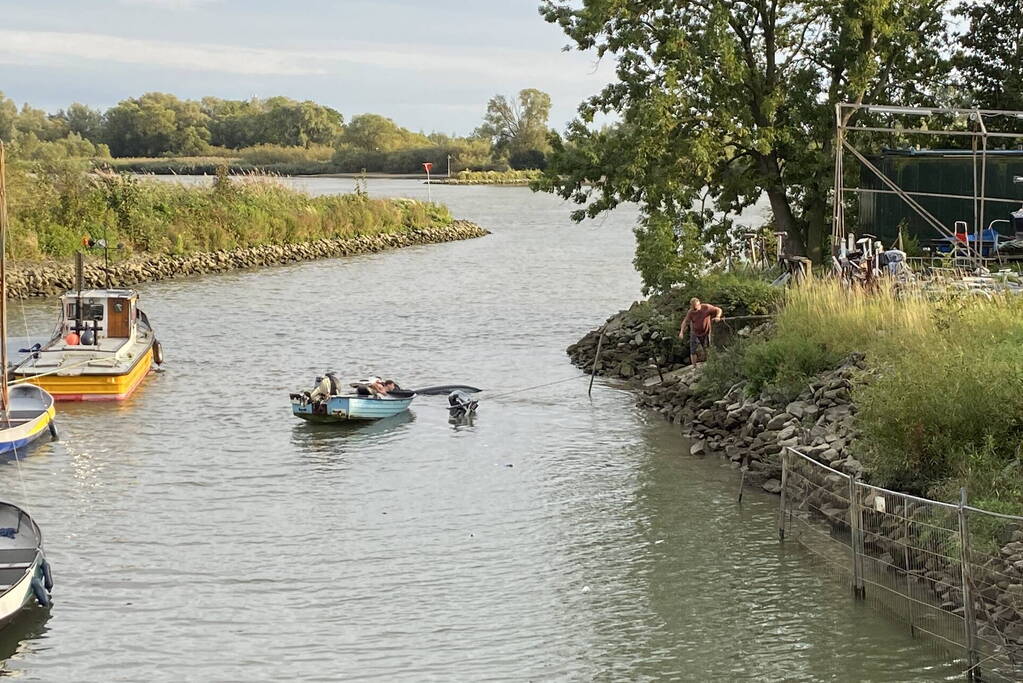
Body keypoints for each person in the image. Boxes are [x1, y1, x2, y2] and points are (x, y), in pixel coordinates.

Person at [678, 298, 723, 364]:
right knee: (693, 349)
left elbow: (718, 309)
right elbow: (685, 322)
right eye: (693, 308)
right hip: (695, 332)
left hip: (706, 331)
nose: (694, 309)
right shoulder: (690, 312)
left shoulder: (706, 307)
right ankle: (694, 367)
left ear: (699, 304)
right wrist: (681, 332)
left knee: (707, 347)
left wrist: (718, 316)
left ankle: (711, 363)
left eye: (696, 308)